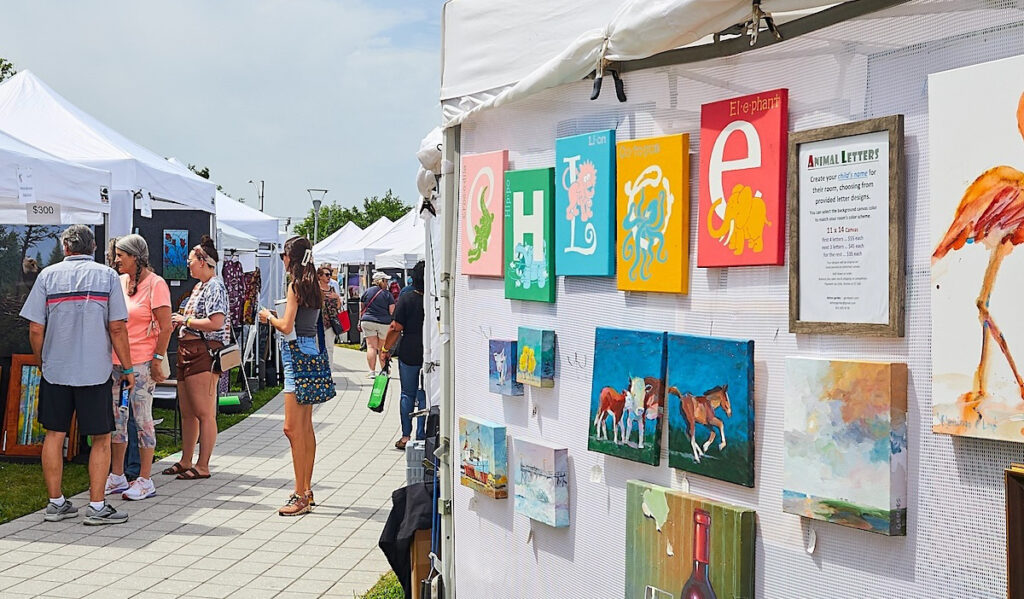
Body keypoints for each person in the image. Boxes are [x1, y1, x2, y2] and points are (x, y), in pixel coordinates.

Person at [20, 225, 134, 525]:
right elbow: (118, 327)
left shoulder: (47, 276)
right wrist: (128, 367)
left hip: (56, 369)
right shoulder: (107, 276)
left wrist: (43, 360)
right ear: (94, 246)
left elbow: (35, 327)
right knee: (100, 436)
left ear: (65, 247)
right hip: (94, 371)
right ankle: (96, 507)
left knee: (54, 434)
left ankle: (56, 502)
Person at [260, 237, 333, 516]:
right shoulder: (314, 285)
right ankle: (305, 488)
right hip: (311, 350)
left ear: (291, 257)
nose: (282, 260)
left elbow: (287, 324)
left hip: (295, 354)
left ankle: (300, 493)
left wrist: (269, 317)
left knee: (291, 429)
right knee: (305, 427)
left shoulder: (295, 286)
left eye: (283, 255)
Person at [104, 235, 171, 501]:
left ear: (136, 257)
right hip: (117, 363)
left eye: (121, 255)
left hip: (142, 364)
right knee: (118, 420)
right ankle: (118, 476)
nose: (116, 260)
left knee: (142, 419)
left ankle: (145, 478)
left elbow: (166, 326)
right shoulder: (120, 282)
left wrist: (157, 358)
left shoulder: (156, 285)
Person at [164, 235, 230, 481]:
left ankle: (203, 464)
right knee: (187, 411)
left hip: (203, 353)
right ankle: (186, 459)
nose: (187, 264)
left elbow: (216, 322)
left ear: (203, 261)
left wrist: (186, 321)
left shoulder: (215, 286)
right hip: (187, 351)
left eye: (191, 260)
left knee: (204, 412)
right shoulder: (199, 286)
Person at [382, 261, 426, 450]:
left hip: (409, 350)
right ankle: (423, 434)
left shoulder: (407, 299)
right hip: (430, 351)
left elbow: (395, 328)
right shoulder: (435, 300)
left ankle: (406, 435)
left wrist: (385, 350)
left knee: (407, 393)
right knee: (425, 394)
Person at [359, 271, 395, 378]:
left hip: (368, 321)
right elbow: (392, 311)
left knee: (371, 347)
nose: (387, 283)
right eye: (386, 281)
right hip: (383, 322)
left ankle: (372, 372)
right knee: (382, 348)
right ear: (381, 281)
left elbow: (361, 307)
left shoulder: (366, 292)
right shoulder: (387, 294)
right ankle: (384, 371)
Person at [318, 264, 343, 353]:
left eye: (330, 274)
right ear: (320, 276)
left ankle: (330, 367)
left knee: (329, 348)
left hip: (331, 322)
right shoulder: (316, 290)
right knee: (319, 347)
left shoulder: (332, 289)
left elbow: (338, 307)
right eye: (327, 275)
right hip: (318, 322)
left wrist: (337, 298)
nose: (329, 277)